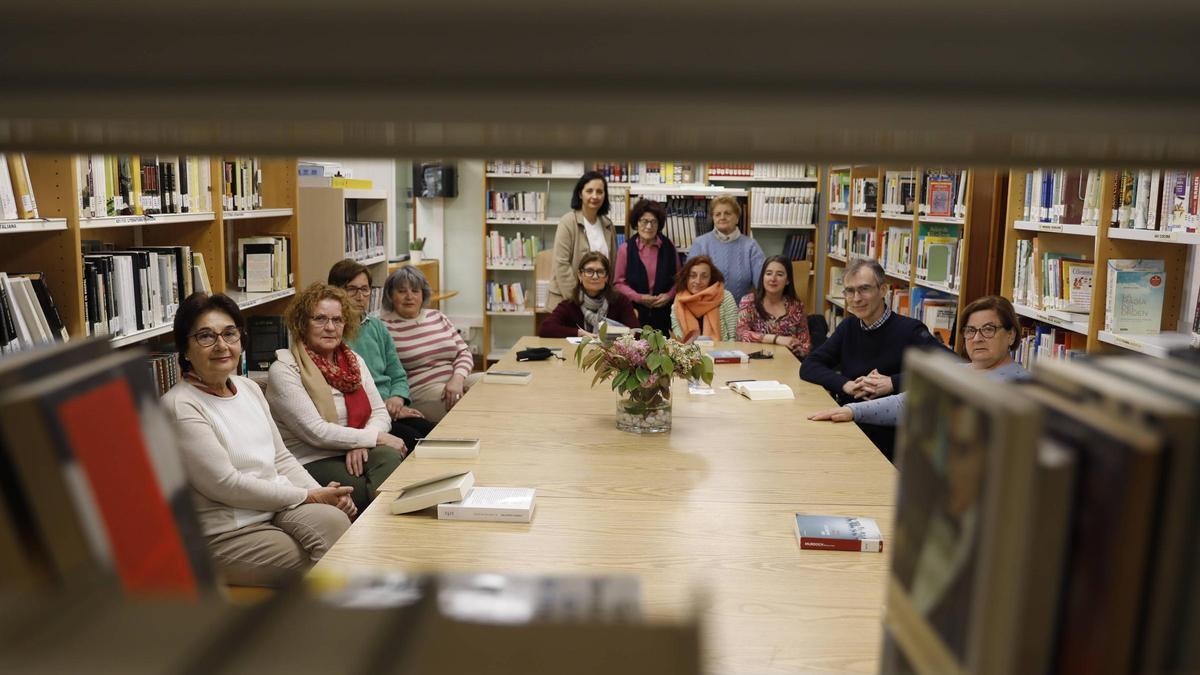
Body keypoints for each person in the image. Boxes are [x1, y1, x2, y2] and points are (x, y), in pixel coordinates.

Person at [162, 292, 352, 587]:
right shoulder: (180, 406)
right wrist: (308, 496)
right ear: (185, 349)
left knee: (337, 523)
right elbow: (226, 485)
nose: (222, 346)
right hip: (225, 532)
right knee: (320, 559)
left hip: (273, 509)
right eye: (205, 337)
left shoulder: (248, 388)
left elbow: (281, 458)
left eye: (229, 334)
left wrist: (324, 495)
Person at [267, 283, 408, 514]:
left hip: (353, 450)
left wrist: (362, 441)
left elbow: (380, 412)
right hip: (310, 460)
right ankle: (384, 531)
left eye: (338, 320)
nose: (330, 327)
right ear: (302, 323)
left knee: (390, 456)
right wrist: (370, 438)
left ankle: (383, 529)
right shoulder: (285, 369)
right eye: (320, 319)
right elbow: (316, 431)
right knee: (366, 488)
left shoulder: (353, 361)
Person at [799, 258, 952, 459]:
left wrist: (893, 382)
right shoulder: (849, 327)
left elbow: (953, 368)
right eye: (850, 291)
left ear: (883, 290)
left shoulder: (909, 330)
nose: (856, 298)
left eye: (864, 289)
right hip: (849, 424)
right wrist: (846, 385)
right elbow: (809, 366)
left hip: (892, 437)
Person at [808, 295, 1029, 427]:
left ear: (1011, 334)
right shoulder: (958, 372)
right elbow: (905, 404)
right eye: (970, 330)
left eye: (988, 329)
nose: (977, 338)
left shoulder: (1023, 387)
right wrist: (851, 411)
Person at [328, 259, 436, 451]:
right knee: (417, 442)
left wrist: (397, 399)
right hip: (366, 414)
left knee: (435, 433)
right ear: (335, 291)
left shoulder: (377, 327)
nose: (360, 296)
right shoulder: (333, 333)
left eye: (365, 289)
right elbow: (346, 387)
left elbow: (397, 373)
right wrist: (386, 408)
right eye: (351, 289)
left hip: (390, 407)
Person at [378, 265, 480, 423]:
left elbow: (464, 353)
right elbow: (384, 373)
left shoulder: (437, 316)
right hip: (421, 391)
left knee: (492, 384)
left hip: (455, 382)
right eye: (402, 291)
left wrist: (457, 378)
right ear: (391, 296)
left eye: (415, 291)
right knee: (469, 404)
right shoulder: (384, 327)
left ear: (423, 294)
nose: (409, 297)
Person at [545, 170, 618, 311]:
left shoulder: (608, 225)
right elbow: (561, 264)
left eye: (599, 192)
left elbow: (612, 265)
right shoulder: (568, 222)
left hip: (599, 303)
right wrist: (577, 300)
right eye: (589, 191)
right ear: (580, 193)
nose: (594, 196)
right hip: (568, 301)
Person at [613, 198, 677, 333]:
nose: (649, 226)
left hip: (664, 315)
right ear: (636, 222)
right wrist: (639, 298)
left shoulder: (669, 247)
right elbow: (618, 283)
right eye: (644, 221)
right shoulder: (625, 249)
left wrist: (669, 296)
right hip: (634, 314)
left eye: (653, 222)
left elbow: (679, 280)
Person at [538, 252, 639, 338]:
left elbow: (637, 333)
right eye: (589, 271)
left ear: (607, 277)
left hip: (612, 357)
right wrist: (579, 333)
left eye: (600, 272)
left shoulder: (620, 301)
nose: (595, 277)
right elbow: (545, 328)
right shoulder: (570, 304)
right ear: (580, 275)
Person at [686, 195, 765, 301]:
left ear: (737, 218)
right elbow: (689, 282)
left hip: (741, 312)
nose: (722, 217)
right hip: (706, 310)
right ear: (713, 218)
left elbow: (762, 283)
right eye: (717, 214)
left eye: (727, 213)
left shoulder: (751, 246)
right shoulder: (700, 243)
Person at [736, 255, 812, 357]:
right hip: (756, 362)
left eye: (779, 274)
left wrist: (798, 348)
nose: (773, 279)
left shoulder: (796, 306)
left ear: (788, 280)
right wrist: (777, 339)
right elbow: (741, 334)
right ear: (762, 277)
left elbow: (805, 344)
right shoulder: (749, 302)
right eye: (768, 273)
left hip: (788, 362)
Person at [670, 255, 738, 340]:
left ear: (711, 279)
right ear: (686, 278)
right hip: (690, 352)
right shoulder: (678, 303)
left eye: (704, 276)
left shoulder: (725, 297)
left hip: (722, 352)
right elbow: (680, 341)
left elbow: (734, 337)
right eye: (693, 275)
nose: (698, 281)